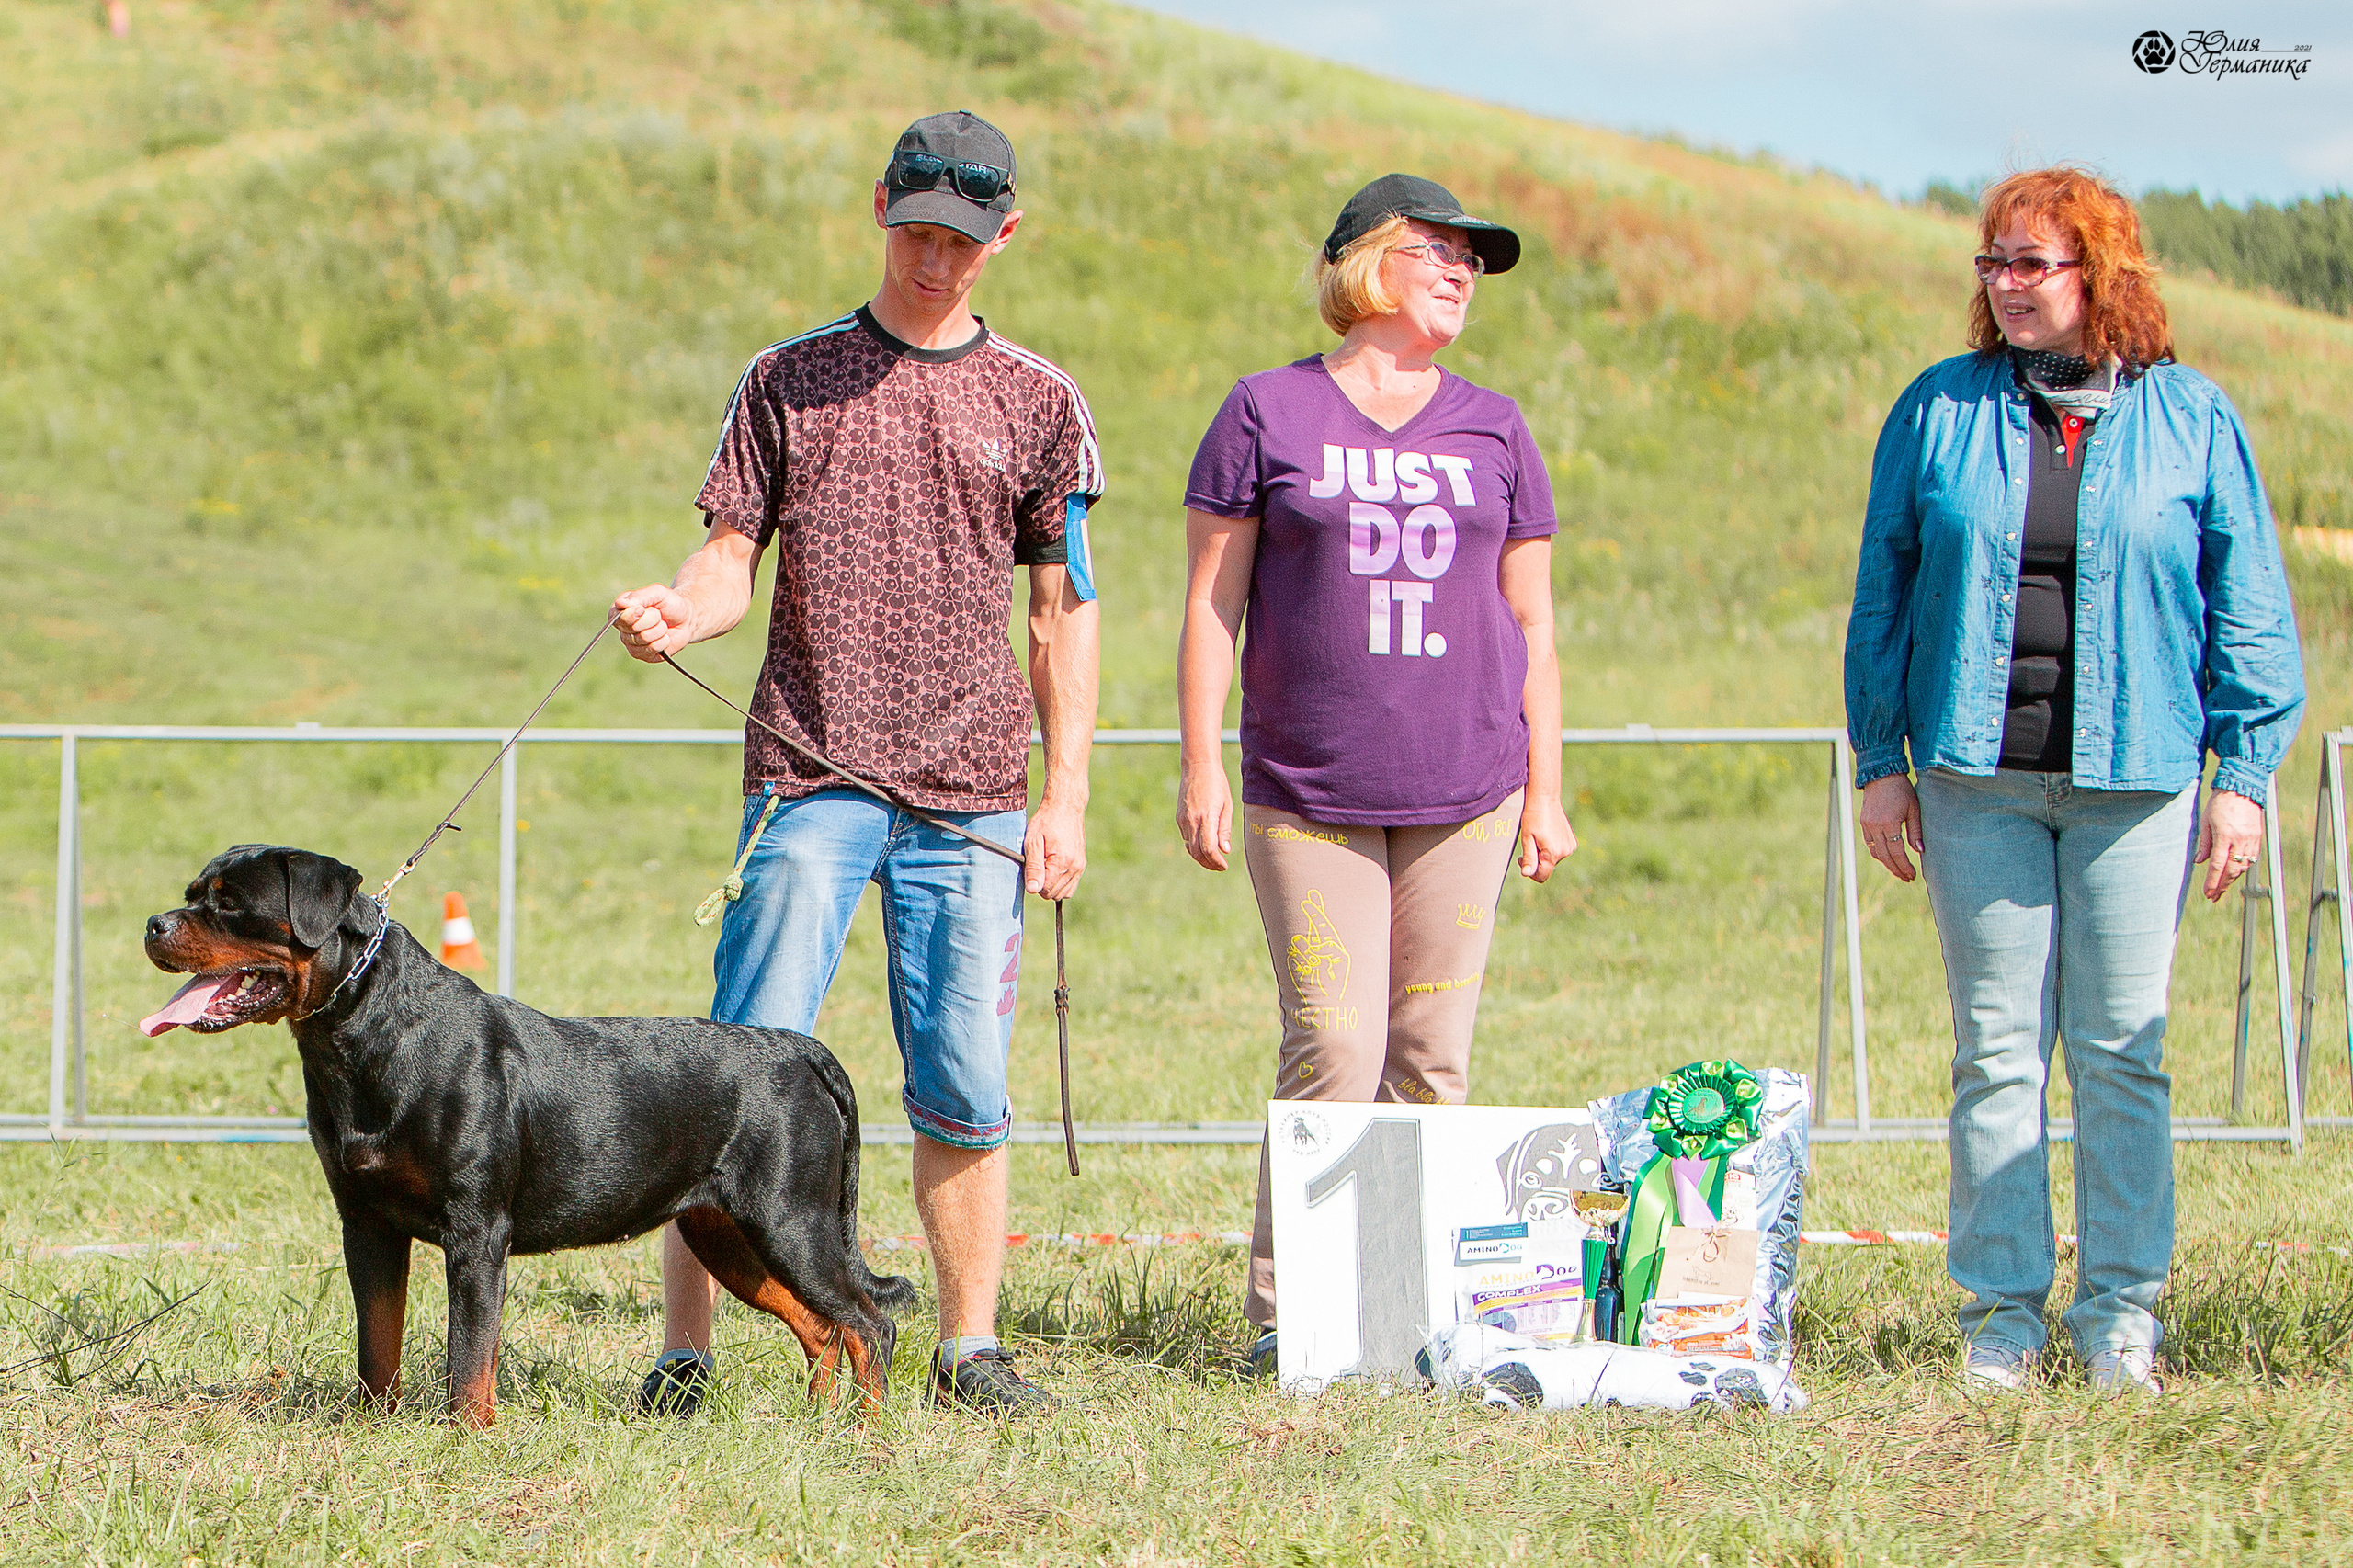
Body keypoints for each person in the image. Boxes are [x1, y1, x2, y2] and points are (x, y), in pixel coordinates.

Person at [612, 109, 1102, 1416]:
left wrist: (1065, 796)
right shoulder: (786, 378)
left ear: (1005, 235)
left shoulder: (1040, 402)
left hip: (974, 789)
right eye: (914, 232)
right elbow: (728, 561)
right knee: (732, 1072)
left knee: (964, 1074)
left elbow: (1064, 611)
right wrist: (678, 610)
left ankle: (968, 1347)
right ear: (880, 207)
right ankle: (686, 1350)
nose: (933, 260)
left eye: (961, 240)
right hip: (809, 775)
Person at [1844, 166, 2304, 1396]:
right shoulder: (1938, 410)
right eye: (1993, 263)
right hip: (1974, 781)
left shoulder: (2192, 416)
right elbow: (1884, 589)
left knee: (2119, 1053)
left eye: (2031, 265)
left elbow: (2248, 605)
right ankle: (1999, 1318)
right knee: (1995, 1052)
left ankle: (2119, 1320)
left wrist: (2244, 771)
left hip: (2140, 779)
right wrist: (1879, 760)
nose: (2005, 287)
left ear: (2098, 274)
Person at [1176, 174, 1577, 1369]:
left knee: (1430, 1063)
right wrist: (1202, 759)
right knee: (1335, 1048)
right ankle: (1288, 1319)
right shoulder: (1266, 412)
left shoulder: (1495, 426)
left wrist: (1546, 787)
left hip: (1469, 788)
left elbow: (1535, 623)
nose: (1463, 272)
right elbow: (1211, 604)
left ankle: (1401, 1315)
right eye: (1438, 250)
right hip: (1309, 792)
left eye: (1475, 259)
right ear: (1364, 263)